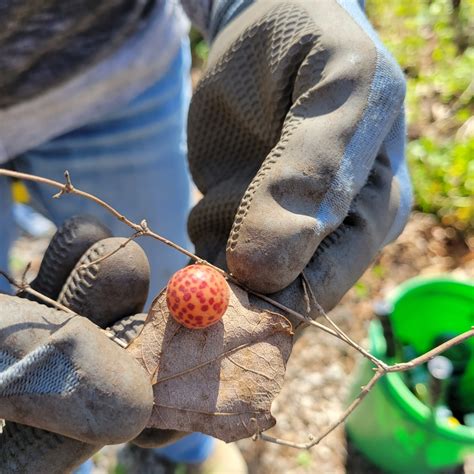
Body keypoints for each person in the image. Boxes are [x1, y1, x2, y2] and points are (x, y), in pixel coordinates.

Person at [0, 0, 412, 472]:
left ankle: (185, 451)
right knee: (36, 381)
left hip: (115, 77)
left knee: (147, 279)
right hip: (116, 75)